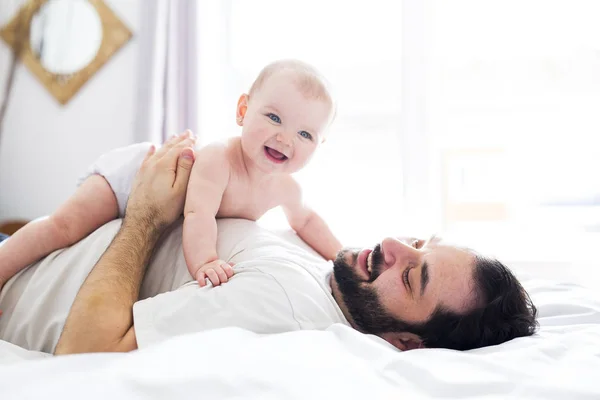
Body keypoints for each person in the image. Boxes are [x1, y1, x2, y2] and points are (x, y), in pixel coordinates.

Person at [7, 134, 536, 355]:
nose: (392, 245)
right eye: (418, 242)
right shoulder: (329, 273)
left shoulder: (281, 302)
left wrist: (146, 215)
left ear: (405, 341)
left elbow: (88, 354)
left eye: (410, 276)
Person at [0, 59, 341, 293]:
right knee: (65, 226)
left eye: (305, 135)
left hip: (155, 204)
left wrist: (341, 255)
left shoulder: (286, 188)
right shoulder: (219, 159)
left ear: (320, 144)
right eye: (274, 118)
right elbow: (198, 214)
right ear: (242, 111)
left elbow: (307, 222)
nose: (285, 139)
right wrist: (206, 261)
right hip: (132, 178)